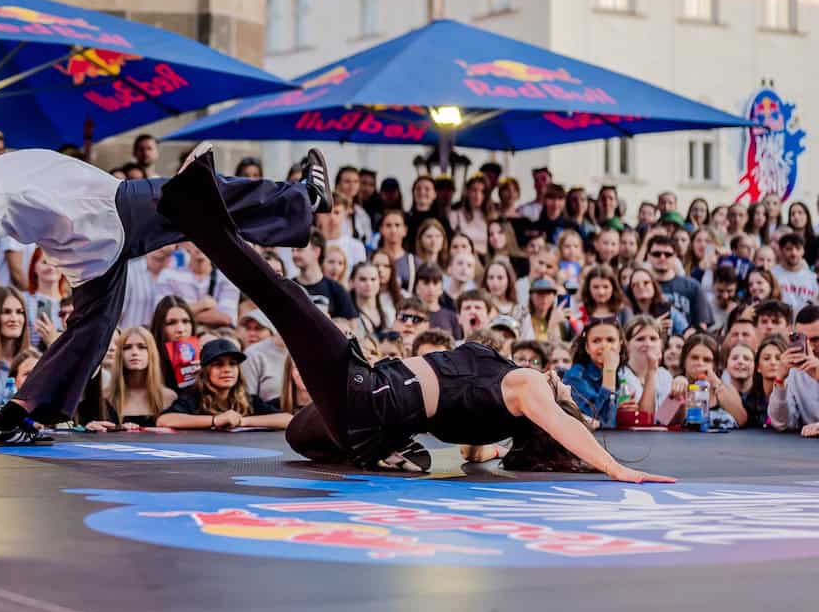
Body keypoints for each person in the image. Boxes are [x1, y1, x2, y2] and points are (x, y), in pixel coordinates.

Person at [156, 155, 671, 480]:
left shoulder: (526, 387)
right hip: (367, 423)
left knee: (283, 296)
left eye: (564, 392)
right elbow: (473, 454)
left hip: (368, 393)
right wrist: (501, 447)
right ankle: (385, 450)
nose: (560, 379)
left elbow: (559, 424)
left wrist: (613, 467)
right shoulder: (495, 417)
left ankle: (195, 209)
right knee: (299, 435)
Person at [0, 98, 327, 445]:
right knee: (197, 197)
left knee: (87, 334)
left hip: (87, 250)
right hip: (111, 213)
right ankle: (302, 199)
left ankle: (16, 416)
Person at [156, 338, 291, 431]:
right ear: (206, 371)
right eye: (218, 364)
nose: (227, 369)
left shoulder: (249, 400)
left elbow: (288, 420)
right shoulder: (192, 397)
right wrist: (215, 420)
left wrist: (242, 421)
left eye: (232, 364)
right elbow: (164, 420)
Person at [84, 327, 177, 430]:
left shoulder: (169, 397)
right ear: (119, 354)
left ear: (151, 352)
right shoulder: (105, 397)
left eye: (142, 347)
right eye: (127, 348)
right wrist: (89, 427)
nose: (134, 352)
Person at [155, 242, 239, 327]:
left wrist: (181, 314)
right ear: (185, 244)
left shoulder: (227, 278)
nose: (200, 244)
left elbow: (227, 319)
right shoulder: (168, 276)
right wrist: (202, 305)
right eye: (195, 240)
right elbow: (162, 315)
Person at [768, 303, 819, 435]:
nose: (810, 347)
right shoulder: (795, 370)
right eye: (802, 339)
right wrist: (779, 381)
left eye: (816, 339)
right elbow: (781, 423)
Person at [290, 230, 356, 320]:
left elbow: (352, 324)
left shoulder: (336, 289)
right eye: (292, 250)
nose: (294, 255)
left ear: (316, 251)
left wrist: (329, 321)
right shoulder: (289, 287)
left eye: (299, 250)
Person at [772, 232, 818, 315]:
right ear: (781, 250)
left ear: (803, 251)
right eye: (789, 249)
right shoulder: (772, 274)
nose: (794, 253)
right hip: (779, 318)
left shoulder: (813, 278)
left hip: (805, 320)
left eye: (798, 248)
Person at [746, 335, 786, 429]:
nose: (773, 362)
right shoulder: (750, 400)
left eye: (778, 358)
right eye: (767, 358)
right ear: (758, 367)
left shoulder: (794, 397)